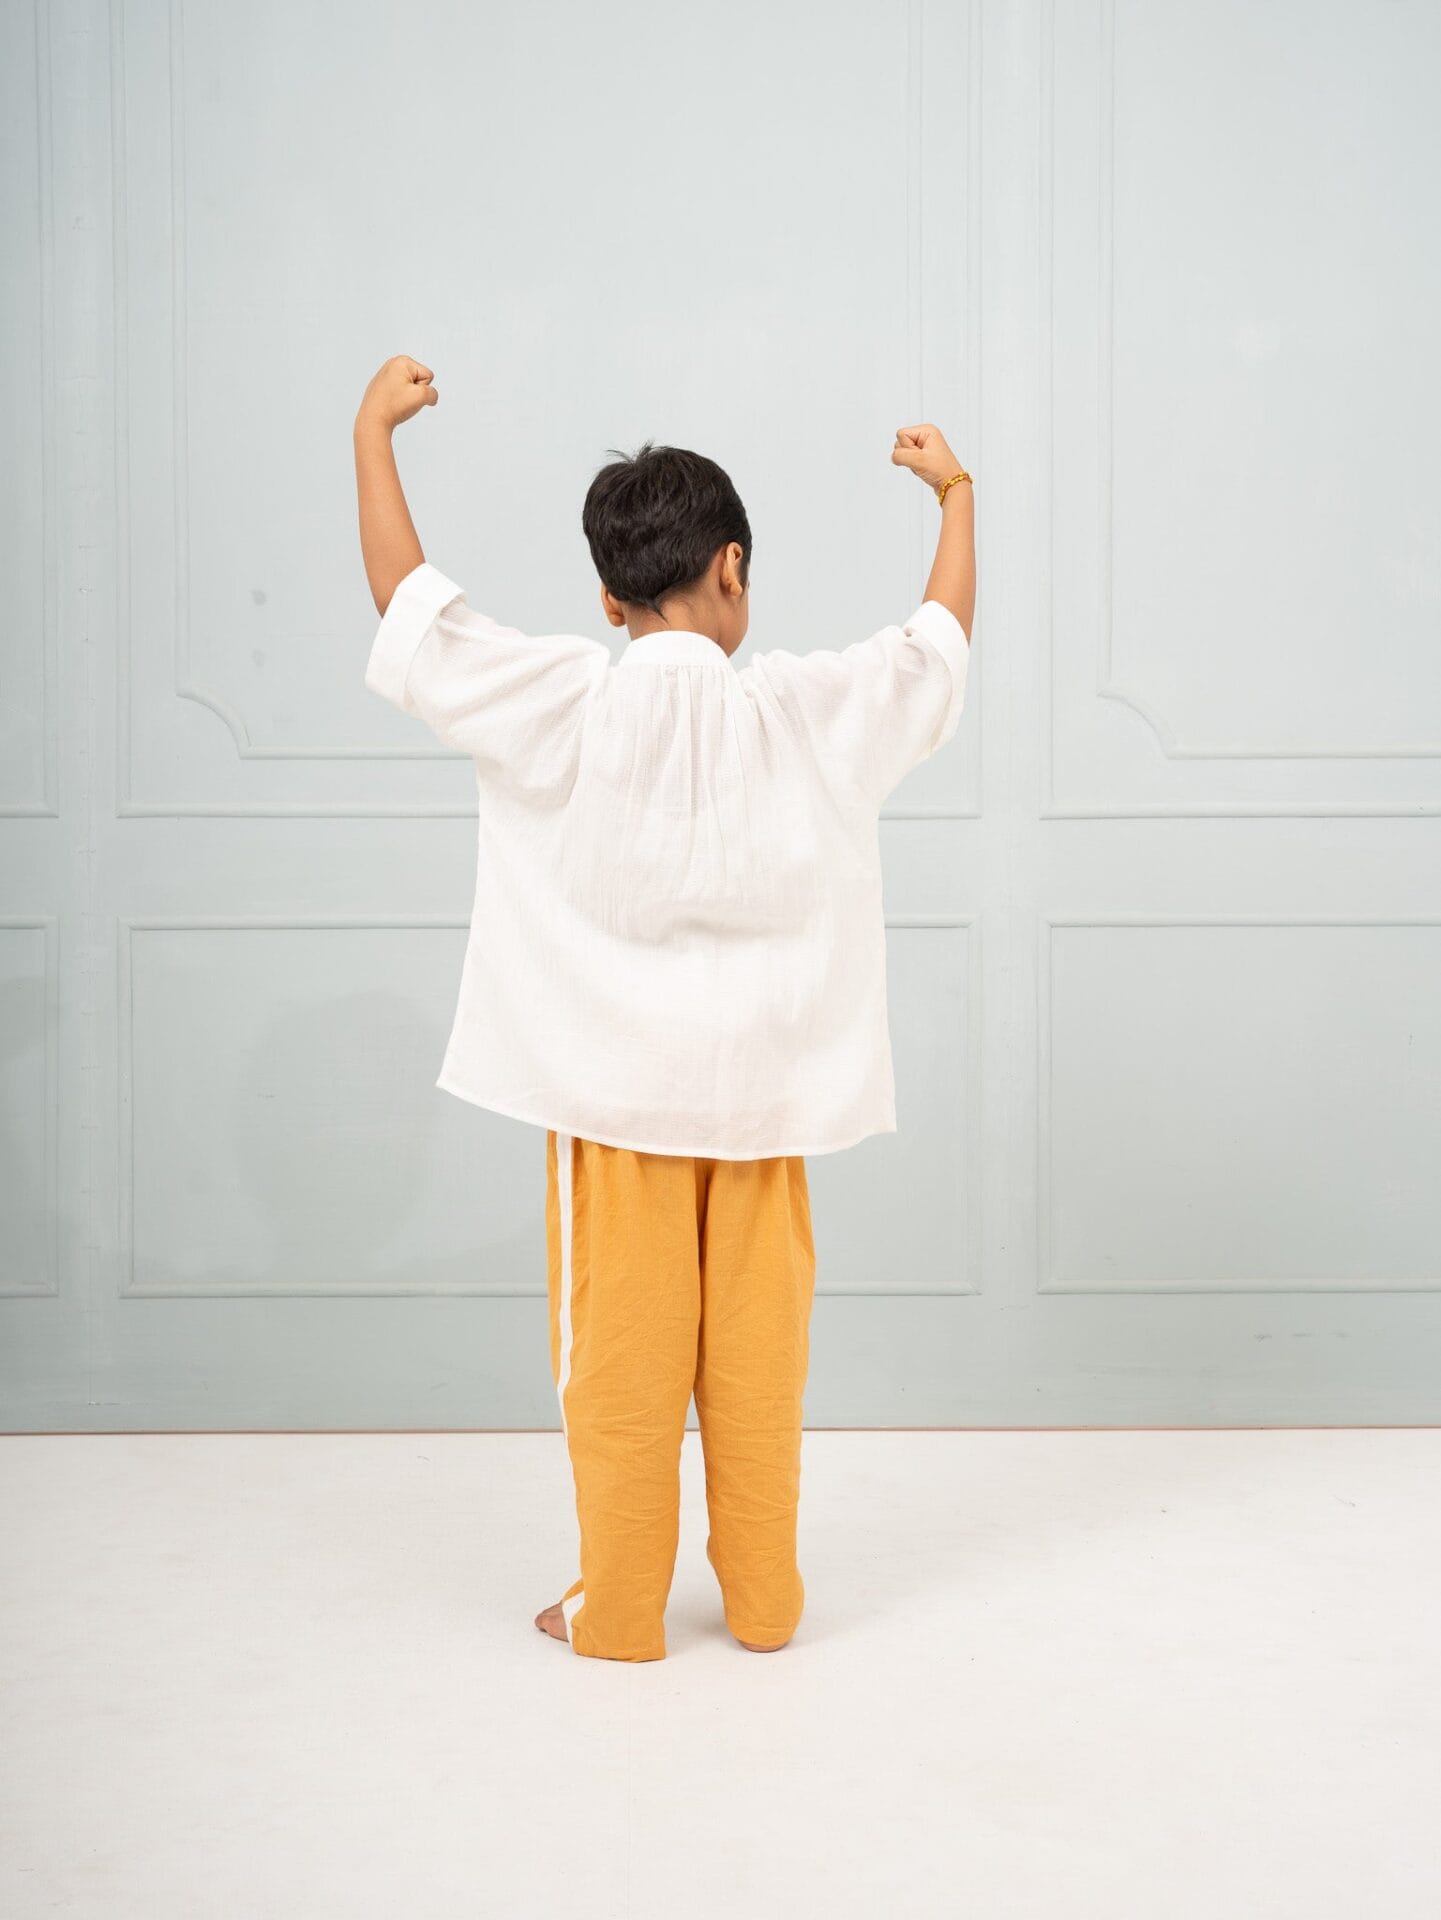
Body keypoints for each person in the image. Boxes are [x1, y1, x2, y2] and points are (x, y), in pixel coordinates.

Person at [354, 355, 976, 1662]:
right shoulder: (804, 711)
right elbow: (935, 646)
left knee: (620, 1369)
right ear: (732, 569)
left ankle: (621, 1609)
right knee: (758, 1368)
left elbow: (411, 609)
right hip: (766, 1117)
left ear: (607, 596)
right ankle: (765, 1602)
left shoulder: (563, 698)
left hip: (614, 1115)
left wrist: (375, 436)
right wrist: (955, 496)